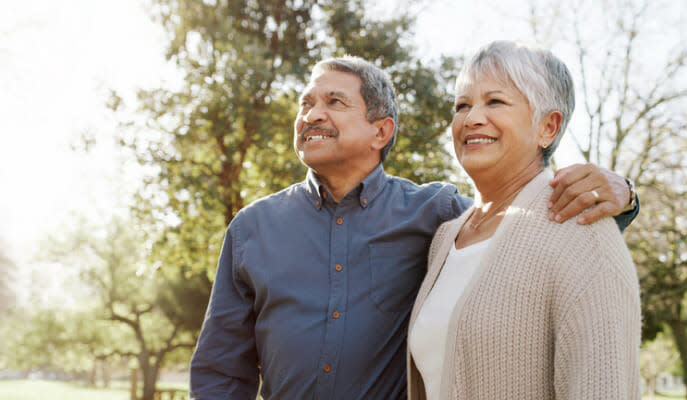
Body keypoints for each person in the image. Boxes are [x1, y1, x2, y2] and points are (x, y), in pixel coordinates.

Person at [189, 55, 639, 399]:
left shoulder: (438, 216)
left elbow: (523, 226)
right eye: (306, 103)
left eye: (334, 102)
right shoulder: (252, 228)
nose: (311, 115)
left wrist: (623, 197)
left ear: (380, 132)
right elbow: (221, 370)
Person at [407, 41, 641, 400]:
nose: (471, 119)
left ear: (548, 127)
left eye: (495, 101)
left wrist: (628, 194)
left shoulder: (583, 231)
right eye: (462, 105)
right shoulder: (445, 238)